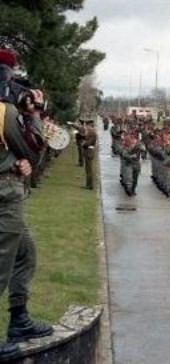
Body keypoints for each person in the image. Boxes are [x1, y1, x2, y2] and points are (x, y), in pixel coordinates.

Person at [0, 49, 53, 360]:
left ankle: (19, 319)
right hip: (4, 195)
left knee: (25, 252)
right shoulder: (4, 112)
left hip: (7, 185)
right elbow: (34, 147)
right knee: (2, 261)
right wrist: (34, 112)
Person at [81, 119, 97, 190]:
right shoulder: (91, 131)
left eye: (87, 125)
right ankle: (88, 184)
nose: (86, 127)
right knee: (87, 169)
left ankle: (90, 185)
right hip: (88, 151)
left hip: (89, 151)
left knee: (89, 169)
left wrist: (83, 144)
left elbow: (89, 142)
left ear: (89, 125)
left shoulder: (92, 132)